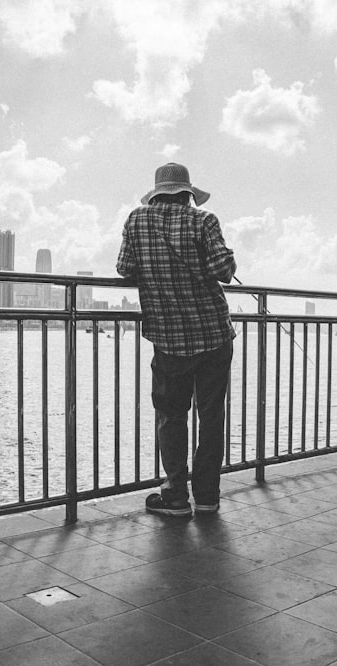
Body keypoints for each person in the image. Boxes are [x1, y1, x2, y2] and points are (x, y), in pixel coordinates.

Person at [116, 162, 237, 517]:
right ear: (188, 194)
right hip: (213, 334)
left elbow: (124, 268)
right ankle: (208, 495)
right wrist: (226, 260)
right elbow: (222, 271)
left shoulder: (136, 221)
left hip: (168, 338)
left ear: (157, 193)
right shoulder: (204, 220)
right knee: (211, 415)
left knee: (171, 416)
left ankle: (176, 495)